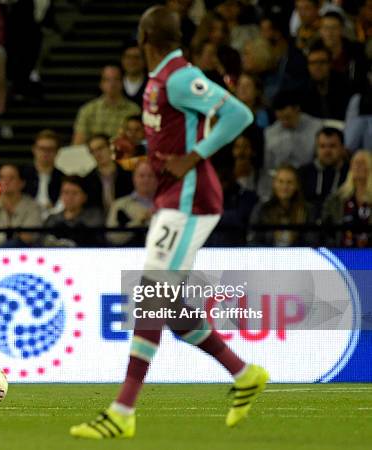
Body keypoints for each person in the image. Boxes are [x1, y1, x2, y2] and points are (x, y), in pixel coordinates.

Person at [70, 6, 267, 439]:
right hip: (172, 198)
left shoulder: (179, 76)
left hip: (192, 199)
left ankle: (123, 410)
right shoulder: (161, 80)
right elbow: (175, 131)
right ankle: (243, 372)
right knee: (167, 303)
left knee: (151, 293)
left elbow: (238, 114)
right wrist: (139, 143)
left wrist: (194, 157)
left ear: (144, 36)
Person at [71, 65, 141, 145]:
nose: (112, 84)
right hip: (94, 155)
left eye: (116, 79)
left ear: (122, 82)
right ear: (101, 84)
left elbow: (138, 141)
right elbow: (78, 143)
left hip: (124, 155)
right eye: (107, 80)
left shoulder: (134, 110)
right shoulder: (87, 110)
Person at [248, 164, 315, 246]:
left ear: (297, 185)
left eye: (289, 182)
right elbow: (253, 241)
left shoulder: (307, 210)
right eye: (280, 181)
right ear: (274, 184)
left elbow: (311, 241)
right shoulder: (261, 209)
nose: (284, 187)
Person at [0, 164, 42, 247]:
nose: (6, 182)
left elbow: (28, 238)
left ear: (22, 183)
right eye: (2, 178)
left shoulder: (32, 206)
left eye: (11, 178)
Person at [323, 150, 372, 247]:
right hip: (342, 252)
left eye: (362, 163)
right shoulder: (336, 199)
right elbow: (326, 226)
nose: (358, 166)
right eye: (355, 162)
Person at [299, 127, 348, 220]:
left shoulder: (350, 173)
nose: (327, 151)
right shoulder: (304, 172)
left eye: (332, 146)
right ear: (316, 148)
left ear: (342, 148)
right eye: (322, 146)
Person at [106, 160, 157, 246]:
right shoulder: (119, 205)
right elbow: (112, 236)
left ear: (157, 179)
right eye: (141, 176)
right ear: (134, 178)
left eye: (150, 176)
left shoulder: (166, 205)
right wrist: (139, 221)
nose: (146, 179)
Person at [43, 176, 104, 247]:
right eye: (66, 193)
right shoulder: (52, 219)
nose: (70, 197)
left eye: (75, 193)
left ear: (84, 196)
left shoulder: (94, 218)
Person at [83, 133, 133, 214]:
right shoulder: (87, 180)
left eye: (100, 148)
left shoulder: (129, 176)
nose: (97, 154)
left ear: (110, 147)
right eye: (93, 151)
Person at [21, 129, 64, 215]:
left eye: (50, 149)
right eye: (42, 148)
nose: (46, 153)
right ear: (34, 150)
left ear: (57, 152)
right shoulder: (22, 176)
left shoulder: (63, 178)